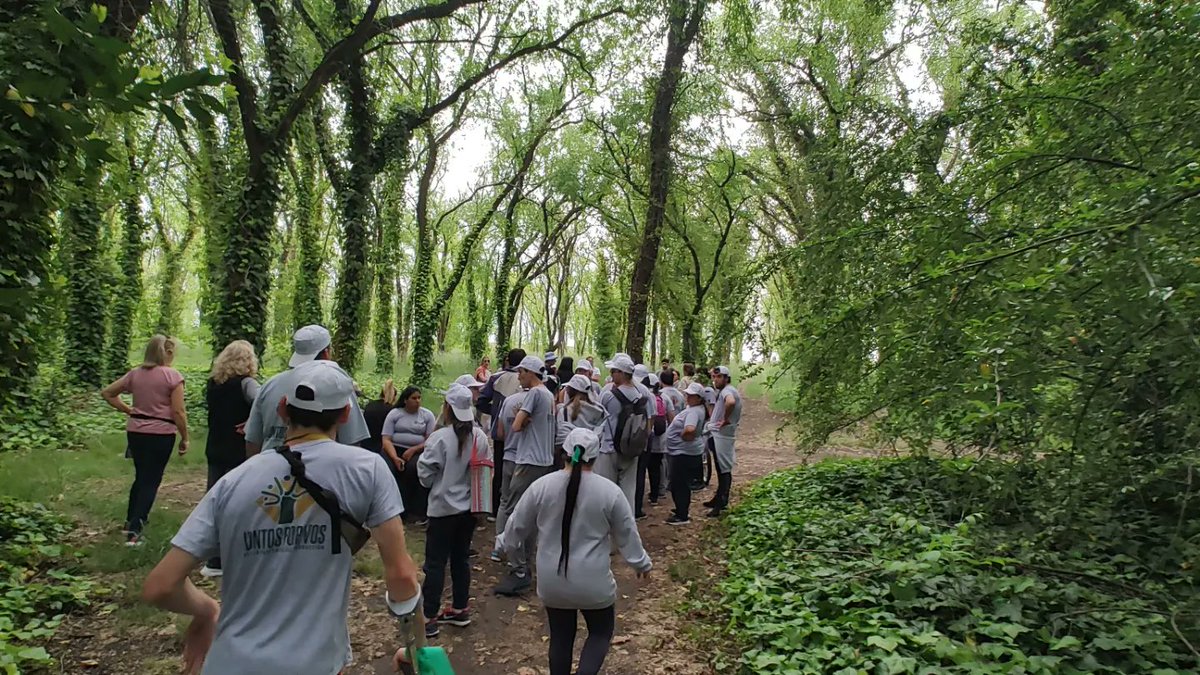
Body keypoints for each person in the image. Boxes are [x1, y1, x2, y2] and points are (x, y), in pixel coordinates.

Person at [141, 359, 425, 675]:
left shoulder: (233, 481)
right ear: (346, 415)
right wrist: (417, 649)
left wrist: (207, 610)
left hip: (229, 664)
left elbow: (160, 586)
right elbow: (401, 576)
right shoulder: (367, 470)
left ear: (281, 409)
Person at [497, 428, 651, 675]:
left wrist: (504, 545)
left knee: (560, 637)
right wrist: (641, 564)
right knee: (600, 633)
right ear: (596, 457)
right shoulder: (609, 491)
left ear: (564, 453)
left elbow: (517, 524)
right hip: (594, 583)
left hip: (552, 582)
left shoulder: (542, 486)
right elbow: (627, 534)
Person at [418, 384, 491, 639]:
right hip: (469, 512)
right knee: (461, 560)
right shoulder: (480, 437)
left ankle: (429, 617)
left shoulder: (439, 438)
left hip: (441, 510)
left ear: (447, 408)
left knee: (436, 564)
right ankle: (460, 609)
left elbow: (425, 476)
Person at [101, 334, 188, 547]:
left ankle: (129, 522)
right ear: (166, 353)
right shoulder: (172, 376)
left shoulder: (135, 374)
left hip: (136, 432)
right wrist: (185, 437)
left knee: (141, 477)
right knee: (152, 480)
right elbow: (178, 411)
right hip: (161, 433)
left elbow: (108, 393)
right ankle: (135, 532)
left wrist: (130, 411)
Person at [244, 325, 369, 454]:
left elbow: (252, 441)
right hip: (325, 469)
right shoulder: (338, 387)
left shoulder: (269, 385)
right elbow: (352, 442)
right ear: (326, 353)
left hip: (269, 468)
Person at [494, 355, 557, 596]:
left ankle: (518, 569)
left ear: (531, 372)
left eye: (521, 372)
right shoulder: (550, 395)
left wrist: (522, 415)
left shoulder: (534, 394)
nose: (518, 376)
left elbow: (516, 426)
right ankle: (527, 563)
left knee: (513, 511)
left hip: (527, 460)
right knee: (533, 514)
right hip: (544, 461)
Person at [200, 340, 260, 576]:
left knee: (215, 501)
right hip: (238, 450)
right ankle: (231, 557)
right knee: (238, 503)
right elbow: (265, 404)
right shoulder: (247, 384)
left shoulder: (213, 384)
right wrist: (252, 424)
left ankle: (212, 556)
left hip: (214, 447)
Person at [595, 354, 655, 509]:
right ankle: (627, 524)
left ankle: (607, 527)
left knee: (606, 490)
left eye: (614, 370)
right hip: (631, 449)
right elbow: (649, 420)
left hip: (609, 448)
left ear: (622, 373)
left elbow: (597, 418)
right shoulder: (642, 394)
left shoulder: (608, 394)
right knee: (628, 490)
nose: (611, 374)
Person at [382, 386, 437, 525]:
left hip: (417, 451)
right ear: (405, 400)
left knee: (412, 469)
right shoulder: (395, 414)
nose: (417, 401)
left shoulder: (427, 415)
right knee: (388, 470)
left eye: (419, 398)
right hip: (394, 449)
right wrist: (394, 458)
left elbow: (430, 440)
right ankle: (390, 509)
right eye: (413, 398)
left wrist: (414, 450)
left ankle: (413, 510)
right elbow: (386, 439)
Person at [490, 387, 528, 553]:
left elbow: (499, 432)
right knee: (524, 504)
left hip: (508, 457)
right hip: (527, 460)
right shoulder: (540, 400)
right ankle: (519, 548)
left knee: (505, 501)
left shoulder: (508, 400)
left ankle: (498, 547)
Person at [664, 383, 708, 525]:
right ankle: (680, 509)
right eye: (687, 394)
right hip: (684, 451)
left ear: (699, 398)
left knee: (680, 484)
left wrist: (683, 437)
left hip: (683, 453)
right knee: (680, 483)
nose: (688, 397)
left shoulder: (693, 412)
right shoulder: (696, 409)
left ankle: (682, 515)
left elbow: (690, 429)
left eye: (691, 395)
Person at [705, 366, 743, 517]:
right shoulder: (727, 390)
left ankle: (720, 503)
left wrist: (725, 419)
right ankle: (719, 498)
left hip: (722, 436)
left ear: (726, 378)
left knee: (723, 470)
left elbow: (731, 402)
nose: (715, 380)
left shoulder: (728, 391)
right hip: (720, 435)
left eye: (719, 377)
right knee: (722, 469)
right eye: (714, 377)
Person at [635, 373, 669, 519]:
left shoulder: (641, 395)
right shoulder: (664, 398)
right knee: (655, 469)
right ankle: (655, 496)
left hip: (644, 441)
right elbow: (670, 417)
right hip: (659, 440)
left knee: (640, 471)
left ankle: (637, 501)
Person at [555, 374, 608, 455]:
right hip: (592, 455)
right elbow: (602, 432)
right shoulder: (600, 410)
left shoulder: (565, 411)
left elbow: (562, 437)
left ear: (571, 390)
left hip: (571, 456)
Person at [361, 380, 400, 455]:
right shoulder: (392, 411)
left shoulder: (370, 405)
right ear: (394, 397)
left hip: (366, 443)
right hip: (382, 447)